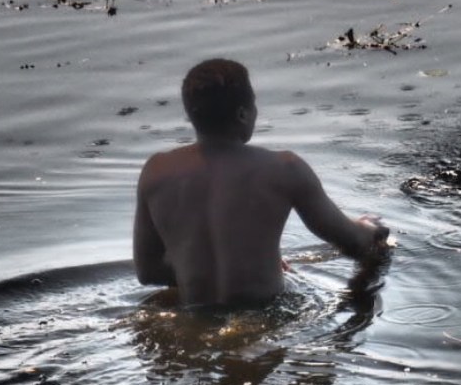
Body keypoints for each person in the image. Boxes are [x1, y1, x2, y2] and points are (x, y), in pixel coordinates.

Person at [133, 59, 390, 307]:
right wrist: (370, 228)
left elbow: (148, 272)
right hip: (263, 314)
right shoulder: (285, 168)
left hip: (195, 315)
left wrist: (198, 270)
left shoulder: (157, 171)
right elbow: (351, 241)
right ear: (244, 113)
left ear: (191, 115)